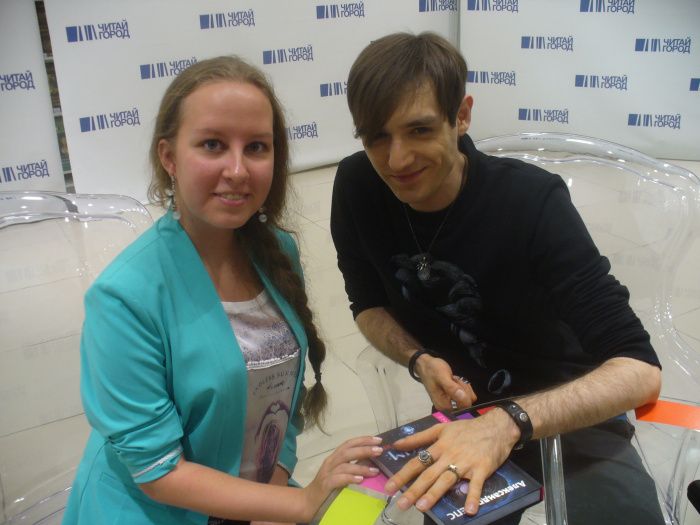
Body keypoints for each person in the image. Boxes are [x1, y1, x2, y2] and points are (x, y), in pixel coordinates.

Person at [330, 32, 664, 524]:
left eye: (419, 130)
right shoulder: (358, 186)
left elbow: (640, 370)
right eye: (376, 137)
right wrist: (419, 359)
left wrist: (508, 423)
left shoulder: (531, 202)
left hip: (568, 410)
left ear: (462, 116)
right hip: (462, 421)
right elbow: (368, 304)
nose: (396, 160)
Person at [62, 56, 383, 525]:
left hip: (252, 497)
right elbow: (157, 471)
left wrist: (275, 487)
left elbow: (279, 397)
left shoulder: (276, 251)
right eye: (212, 145)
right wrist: (298, 504)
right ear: (169, 157)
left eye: (256, 147)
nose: (237, 169)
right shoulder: (124, 298)